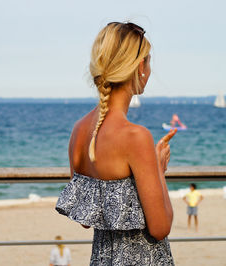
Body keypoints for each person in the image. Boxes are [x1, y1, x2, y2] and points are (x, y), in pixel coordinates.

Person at [56, 21, 177, 265]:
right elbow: (161, 227)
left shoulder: (79, 131)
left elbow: (85, 219)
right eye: (148, 60)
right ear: (139, 67)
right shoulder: (136, 136)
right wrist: (158, 171)